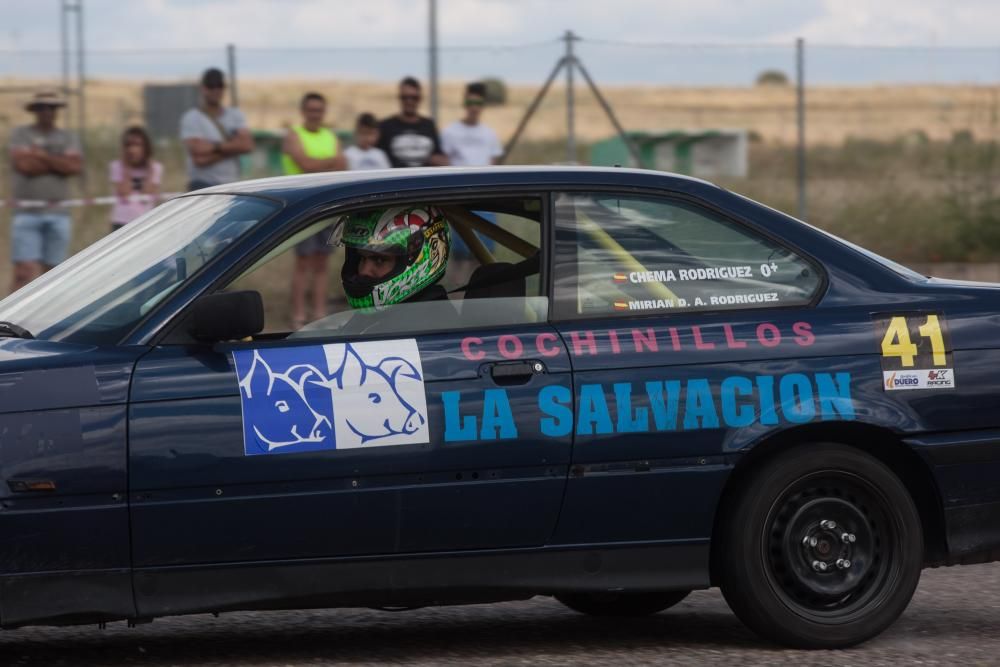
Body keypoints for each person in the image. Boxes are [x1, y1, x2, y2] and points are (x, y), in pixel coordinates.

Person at [281, 91, 346, 329]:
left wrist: (318, 164)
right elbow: (305, 164)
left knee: (322, 263)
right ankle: (298, 316)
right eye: (311, 110)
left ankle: (319, 314)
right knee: (303, 262)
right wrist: (328, 162)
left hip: (327, 208)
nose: (315, 114)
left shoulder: (331, 136)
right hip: (303, 209)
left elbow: (342, 165)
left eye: (319, 110)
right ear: (303, 111)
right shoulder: (293, 135)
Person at [8, 89, 83, 292]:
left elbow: (74, 167)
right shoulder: (21, 134)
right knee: (23, 272)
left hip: (58, 212)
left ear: (57, 110)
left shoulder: (68, 137)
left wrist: (40, 155)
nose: (47, 111)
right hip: (27, 212)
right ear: (35, 110)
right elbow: (25, 166)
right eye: (42, 107)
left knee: (54, 274)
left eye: (51, 107)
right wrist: (57, 162)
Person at [340, 206, 451, 310]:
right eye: (361, 257)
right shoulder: (394, 315)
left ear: (417, 259)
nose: (363, 271)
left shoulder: (425, 322)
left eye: (379, 260)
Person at [180, 67, 253, 191]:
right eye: (211, 86)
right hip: (202, 186)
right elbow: (198, 156)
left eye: (219, 85)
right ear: (203, 88)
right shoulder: (191, 118)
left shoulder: (235, 115)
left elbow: (247, 145)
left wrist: (213, 147)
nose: (216, 90)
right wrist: (233, 148)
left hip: (231, 185)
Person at [377, 77, 448, 168]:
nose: (409, 101)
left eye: (414, 98)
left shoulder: (429, 125)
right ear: (399, 98)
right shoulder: (385, 126)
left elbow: (439, 156)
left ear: (420, 99)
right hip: (395, 180)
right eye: (405, 97)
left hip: (423, 179)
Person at [108, 126, 163, 232]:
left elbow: (146, 197)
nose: (132, 150)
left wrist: (149, 171)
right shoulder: (117, 166)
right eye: (128, 145)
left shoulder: (155, 168)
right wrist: (127, 168)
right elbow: (124, 193)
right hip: (121, 221)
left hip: (144, 220)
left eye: (137, 145)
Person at [441, 82, 503, 167]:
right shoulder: (449, 131)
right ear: (464, 103)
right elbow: (444, 160)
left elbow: (494, 161)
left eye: (478, 103)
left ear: (483, 105)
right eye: (470, 102)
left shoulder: (490, 133)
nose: (474, 107)